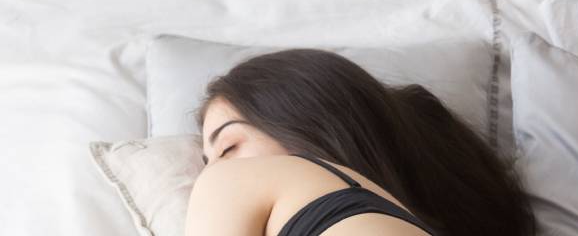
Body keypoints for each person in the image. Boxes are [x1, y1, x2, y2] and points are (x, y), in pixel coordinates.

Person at [185, 48, 536, 236]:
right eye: (208, 161)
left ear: (309, 122)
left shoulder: (236, 180)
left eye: (228, 146)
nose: (212, 171)